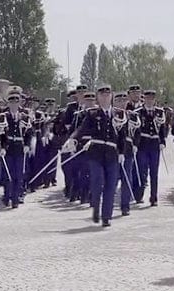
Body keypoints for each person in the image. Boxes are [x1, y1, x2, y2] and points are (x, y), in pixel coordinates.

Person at [62, 85, 126, 227]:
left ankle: (106, 216)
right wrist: (73, 139)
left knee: (111, 186)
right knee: (97, 181)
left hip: (112, 154)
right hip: (96, 154)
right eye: (102, 95)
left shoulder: (119, 114)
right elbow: (81, 129)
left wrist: (122, 152)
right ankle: (96, 206)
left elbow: (122, 135)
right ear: (98, 97)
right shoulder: (92, 114)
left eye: (107, 95)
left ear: (111, 97)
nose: (104, 97)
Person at [134, 90, 167, 206]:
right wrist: (135, 144)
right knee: (142, 171)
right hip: (143, 144)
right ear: (144, 99)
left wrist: (163, 141)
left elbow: (163, 128)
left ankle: (154, 197)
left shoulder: (159, 112)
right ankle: (139, 195)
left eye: (152, 99)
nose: (150, 101)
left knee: (154, 172)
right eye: (148, 98)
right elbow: (135, 130)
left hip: (154, 145)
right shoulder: (138, 112)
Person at [113, 92, 140, 215]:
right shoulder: (111, 115)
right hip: (113, 151)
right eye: (119, 101)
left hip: (128, 150)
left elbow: (138, 131)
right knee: (112, 179)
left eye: (124, 101)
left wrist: (135, 145)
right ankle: (109, 204)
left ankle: (125, 206)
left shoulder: (132, 115)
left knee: (127, 178)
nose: (122, 103)